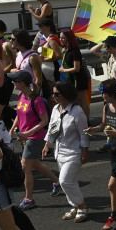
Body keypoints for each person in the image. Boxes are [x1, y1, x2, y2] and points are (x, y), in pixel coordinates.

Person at [4, 70, 57, 211]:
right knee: (35, 165)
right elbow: (18, 114)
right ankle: (56, 182)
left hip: (35, 137)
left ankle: (29, 199)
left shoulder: (37, 100)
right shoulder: (21, 95)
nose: (12, 82)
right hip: (25, 137)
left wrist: (27, 133)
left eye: (14, 81)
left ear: (22, 83)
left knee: (25, 166)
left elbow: (44, 121)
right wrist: (13, 127)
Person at [43, 81, 90, 222]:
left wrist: (85, 152)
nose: (53, 96)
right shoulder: (56, 109)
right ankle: (75, 206)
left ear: (65, 95)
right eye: (53, 93)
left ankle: (82, 205)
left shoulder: (77, 112)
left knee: (64, 181)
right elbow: (52, 128)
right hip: (60, 152)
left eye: (56, 94)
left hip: (73, 153)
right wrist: (47, 145)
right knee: (71, 182)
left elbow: (84, 134)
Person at [85, 80, 116, 230]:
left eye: (104, 92)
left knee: (112, 185)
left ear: (112, 94)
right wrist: (93, 130)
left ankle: (114, 216)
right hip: (114, 152)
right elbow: (103, 125)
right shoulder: (106, 107)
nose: (102, 95)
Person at [57, 28, 92, 119]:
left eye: (63, 38)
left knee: (82, 100)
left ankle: (86, 121)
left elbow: (76, 68)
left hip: (79, 78)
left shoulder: (75, 51)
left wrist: (64, 70)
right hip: (72, 78)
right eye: (60, 37)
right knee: (72, 100)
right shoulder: (67, 49)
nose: (61, 40)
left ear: (69, 39)